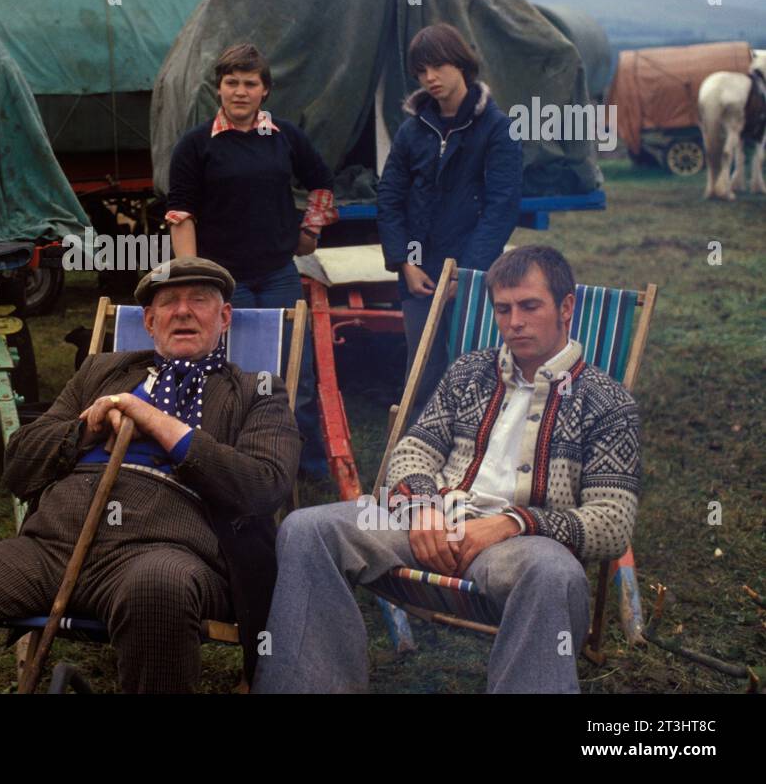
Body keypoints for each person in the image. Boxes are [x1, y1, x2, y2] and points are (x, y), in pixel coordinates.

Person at [0, 257, 299, 693]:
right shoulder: (103, 373)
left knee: (157, 590)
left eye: (199, 300)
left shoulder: (255, 392)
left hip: (166, 551)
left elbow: (263, 486)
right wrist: (87, 427)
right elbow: (19, 465)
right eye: (168, 302)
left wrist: (154, 421)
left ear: (225, 317)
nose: (184, 312)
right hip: (50, 548)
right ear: (149, 322)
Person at [254, 245, 641, 694]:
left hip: (520, 548)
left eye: (530, 306)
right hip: (431, 524)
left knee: (554, 574)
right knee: (307, 529)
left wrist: (512, 523)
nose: (514, 322)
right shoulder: (470, 372)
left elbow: (612, 521)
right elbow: (413, 451)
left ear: (566, 307)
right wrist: (423, 507)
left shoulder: (607, 402)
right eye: (503, 309)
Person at [165, 43, 338, 479]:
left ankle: (304, 464)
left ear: (265, 91)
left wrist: (310, 232)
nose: (240, 91)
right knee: (235, 372)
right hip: (226, 281)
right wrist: (195, 277)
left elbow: (321, 182)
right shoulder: (196, 145)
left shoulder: (284, 136)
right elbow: (181, 212)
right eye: (231, 82)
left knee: (295, 368)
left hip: (279, 274)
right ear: (218, 89)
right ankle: (239, 463)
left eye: (250, 83)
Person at [377, 23, 522, 423]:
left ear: (461, 64)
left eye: (438, 66)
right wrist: (406, 262)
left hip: (472, 273)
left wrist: (468, 272)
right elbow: (390, 198)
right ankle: (414, 453)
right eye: (421, 70)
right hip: (419, 272)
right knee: (421, 373)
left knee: (474, 371)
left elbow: (501, 207)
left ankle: (474, 452)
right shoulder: (412, 130)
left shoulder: (498, 128)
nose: (430, 78)